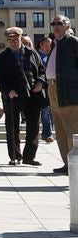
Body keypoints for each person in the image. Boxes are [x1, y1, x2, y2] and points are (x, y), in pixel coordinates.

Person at [0, 27, 44, 167]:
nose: (13, 43)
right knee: (12, 127)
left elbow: (41, 71)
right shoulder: (2, 58)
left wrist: (40, 82)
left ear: (21, 39)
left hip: (32, 94)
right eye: (10, 41)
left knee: (33, 127)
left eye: (16, 40)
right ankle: (14, 156)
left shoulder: (32, 53)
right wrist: (8, 90)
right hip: (12, 96)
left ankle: (29, 157)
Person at [46, 15, 78, 174]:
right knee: (59, 131)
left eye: (60, 23)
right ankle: (67, 165)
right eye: (53, 23)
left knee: (72, 131)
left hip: (69, 92)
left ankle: (75, 166)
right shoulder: (56, 44)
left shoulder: (73, 43)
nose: (56, 26)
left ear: (68, 25)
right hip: (53, 89)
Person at [38, 35, 55, 143]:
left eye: (50, 46)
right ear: (41, 45)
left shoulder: (51, 56)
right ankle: (47, 133)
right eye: (47, 46)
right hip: (43, 88)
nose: (49, 48)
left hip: (52, 88)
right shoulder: (38, 57)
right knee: (45, 111)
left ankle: (48, 132)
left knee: (51, 111)